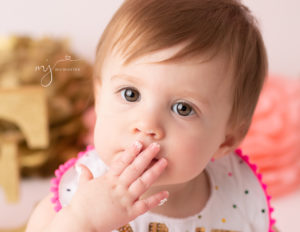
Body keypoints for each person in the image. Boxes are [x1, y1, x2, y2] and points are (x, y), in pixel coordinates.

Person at [26, 0, 278, 231]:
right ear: (99, 98)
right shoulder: (70, 206)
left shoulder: (239, 202)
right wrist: (83, 222)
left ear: (226, 140)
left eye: (183, 108)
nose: (147, 125)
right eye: (130, 94)